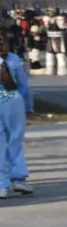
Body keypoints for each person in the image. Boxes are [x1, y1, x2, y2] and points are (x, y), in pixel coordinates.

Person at [0, 40, 32, 199]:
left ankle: (2, 184)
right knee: (15, 140)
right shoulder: (13, 58)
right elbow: (24, 85)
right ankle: (18, 178)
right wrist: (28, 107)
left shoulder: (13, 59)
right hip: (14, 100)